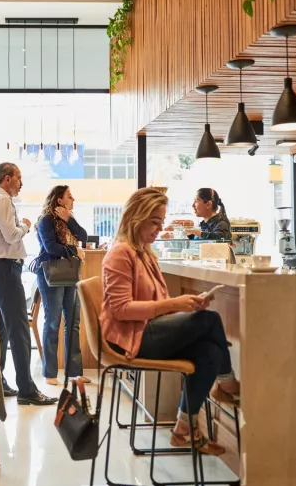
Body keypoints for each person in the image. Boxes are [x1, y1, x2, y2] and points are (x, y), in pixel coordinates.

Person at [101, 188, 240, 455]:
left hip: (145, 331)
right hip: (128, 338)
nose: (159, 228)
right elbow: (121, 310)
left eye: (161, 222)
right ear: (135, 218)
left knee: (209, 351)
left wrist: (184, 305)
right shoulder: (121, 253)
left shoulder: (144, 253)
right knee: (210, 321)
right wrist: (176, 305)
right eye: (154, 222)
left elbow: (159, 302)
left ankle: (183, 429)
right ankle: (228, 384)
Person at [0, 162, 56, 406]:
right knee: (19, 330)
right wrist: (25, 224)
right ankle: (27, 390)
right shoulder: (1, 201)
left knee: (1, 329)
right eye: (18, 177)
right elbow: (11, 235)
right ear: (6, 179)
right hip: (3, 270)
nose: (21, 182)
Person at [32, 185, 90, 386]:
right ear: (59, 200)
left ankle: (75, 373)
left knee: (73, 321)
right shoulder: (45, 220)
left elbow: (83, 236)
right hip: (51, 274)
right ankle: (50, 373)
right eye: (69, 197)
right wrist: (73, 250)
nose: (73, 200)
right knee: (53, 322)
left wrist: (69, 219)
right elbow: (50, 247)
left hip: (70, 273)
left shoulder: (67, 220)